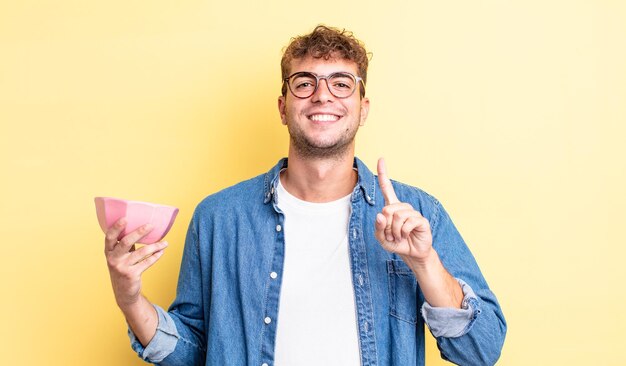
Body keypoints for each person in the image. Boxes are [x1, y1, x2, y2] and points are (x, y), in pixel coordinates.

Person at [104, 25, 506, 366]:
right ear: (283, 107)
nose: (323, 95)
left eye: (341, 84)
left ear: (362, 108)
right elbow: (191, 351)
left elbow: (481, 348)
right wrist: (131, 299)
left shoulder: (417, 214)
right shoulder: (218, 218)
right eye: (305, 83)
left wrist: (424, 262)